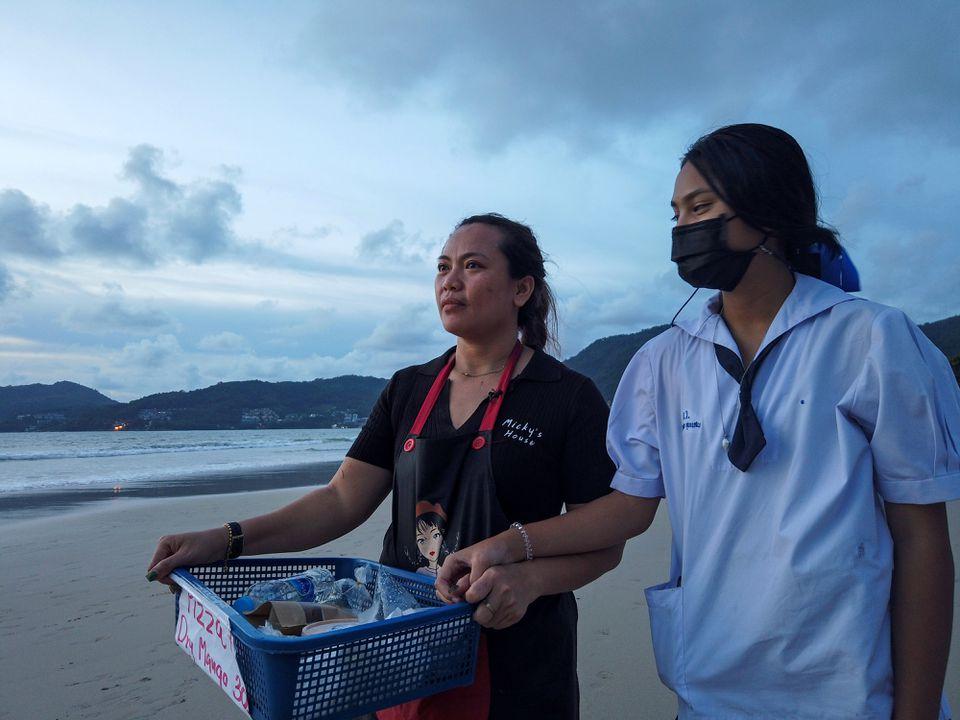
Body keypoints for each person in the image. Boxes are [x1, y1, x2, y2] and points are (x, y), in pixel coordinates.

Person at [438, 125, 959, 720]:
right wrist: (508, 545)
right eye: (676, 213)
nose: (684, 228)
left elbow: (922, 538)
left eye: (702, 207)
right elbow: (629, 507)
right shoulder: (664, 360)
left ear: (768, 211)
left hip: (850, 686)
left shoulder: (872, 340)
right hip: (712, 685)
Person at [147, 212, 622, 720]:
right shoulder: (409, 389)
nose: (450, 281)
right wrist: (225, 540)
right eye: (443, 267)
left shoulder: (566, 397)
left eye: (473, 265)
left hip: (517, 659)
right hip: (397, 646)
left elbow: (603, 540)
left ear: (521, 289)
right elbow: (340, 500)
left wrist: (530, 581)